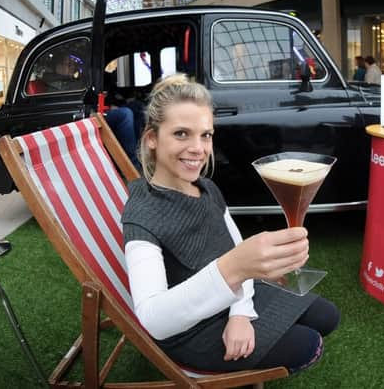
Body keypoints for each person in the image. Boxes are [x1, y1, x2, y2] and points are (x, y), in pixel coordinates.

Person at [122, 74, 340, 373]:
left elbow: (235, 249)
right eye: (182, 134)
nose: (198, 148)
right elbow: (154, 320)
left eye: (206, 135)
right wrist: (234, 269)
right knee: (309, 345)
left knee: (328, 317)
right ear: (152, 139)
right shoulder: (142, 215)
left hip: (233, 294)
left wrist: (240, 312)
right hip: (190, 327)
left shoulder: (207, 188)